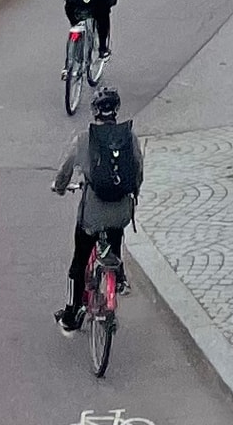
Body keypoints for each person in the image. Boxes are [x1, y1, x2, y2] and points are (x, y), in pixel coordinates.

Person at [51, 85, 144, 332]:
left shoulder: (83, 139)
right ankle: (118, 276)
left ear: (94, 111)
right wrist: (133, 194)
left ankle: (71, 314)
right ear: (116, 110)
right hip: (122, 210)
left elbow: (65, 170)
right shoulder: (129, 137)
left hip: (92, 214)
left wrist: (59, 187)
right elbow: (137, 172)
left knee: (79, 262)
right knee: (115, 232)